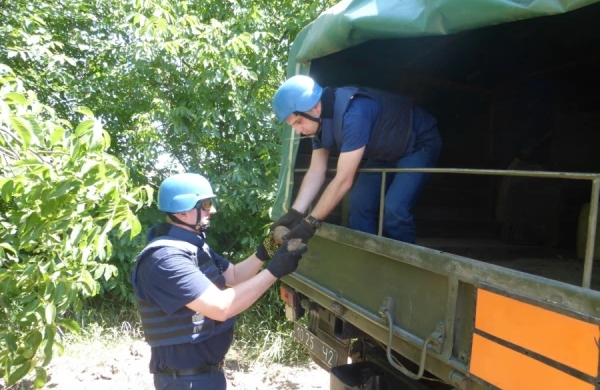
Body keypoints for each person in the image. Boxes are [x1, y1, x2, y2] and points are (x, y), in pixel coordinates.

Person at [131, 172, 307, 390]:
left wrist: (270, 246)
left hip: (205, 376)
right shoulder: (166, 258)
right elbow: (221, 307)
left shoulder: (193, 247)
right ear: (182, 211)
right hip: (186, 381)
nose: (212, 210)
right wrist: (275, 271)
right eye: (205, 204)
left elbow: (235, 276)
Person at [271, 75, 442, 244]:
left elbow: (343, 181)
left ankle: (404, 258)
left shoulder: (353, 114)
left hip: (418, 143)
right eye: (293, 125)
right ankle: (369, 255)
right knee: (358, 205)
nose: (298, 131)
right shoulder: (318, 124)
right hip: (384, 151)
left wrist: (310, 224)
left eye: (299, 122)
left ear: (315, 107)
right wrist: (295, 213)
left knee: (395, 209)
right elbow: (316, 171)